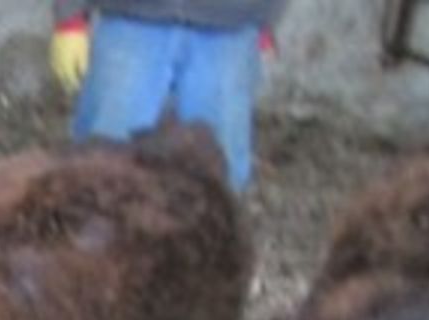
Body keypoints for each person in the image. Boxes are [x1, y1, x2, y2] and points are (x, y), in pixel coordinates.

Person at [51, 2, 288, 192]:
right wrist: (70, 18)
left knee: (218, 166)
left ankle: (207, 244)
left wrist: (266, 15)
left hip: (231, 24)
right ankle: (92, 240)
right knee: (105, 153)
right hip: (132, 19)